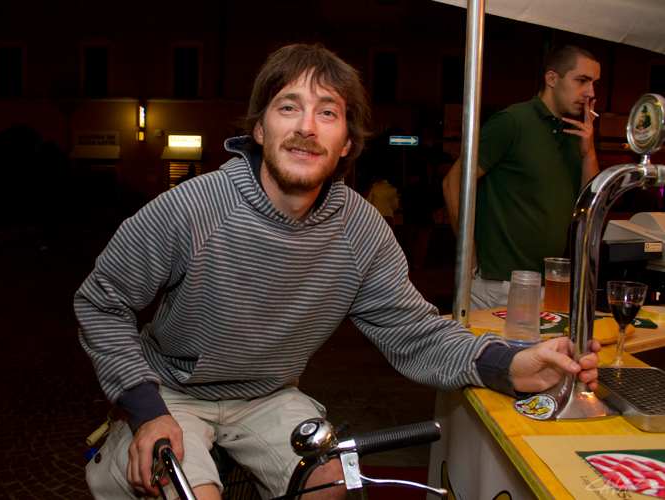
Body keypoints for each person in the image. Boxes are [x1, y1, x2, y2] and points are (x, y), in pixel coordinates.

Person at [75, 43, 601, 500]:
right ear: (258, 128)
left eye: (327, 112)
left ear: (347, 142)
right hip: (173, 390)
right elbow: (101, 301)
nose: (306, 127)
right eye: (289, 107)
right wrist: (145, 408)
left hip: (269, 394)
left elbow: (415, 332)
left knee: (330, 480)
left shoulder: (360, 230)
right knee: (192, 492)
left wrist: (510, 364)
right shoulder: (193, 208)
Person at [442, 42, 601, 311]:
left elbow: (589, 206)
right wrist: (468, 258)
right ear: (552, 79)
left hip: (550, 283)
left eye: (594, 84)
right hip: (500, 284)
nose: (590, 93)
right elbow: (453, 183)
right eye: (581, 80)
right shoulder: (513, 121)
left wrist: (589, 153)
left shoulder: (576, 133)